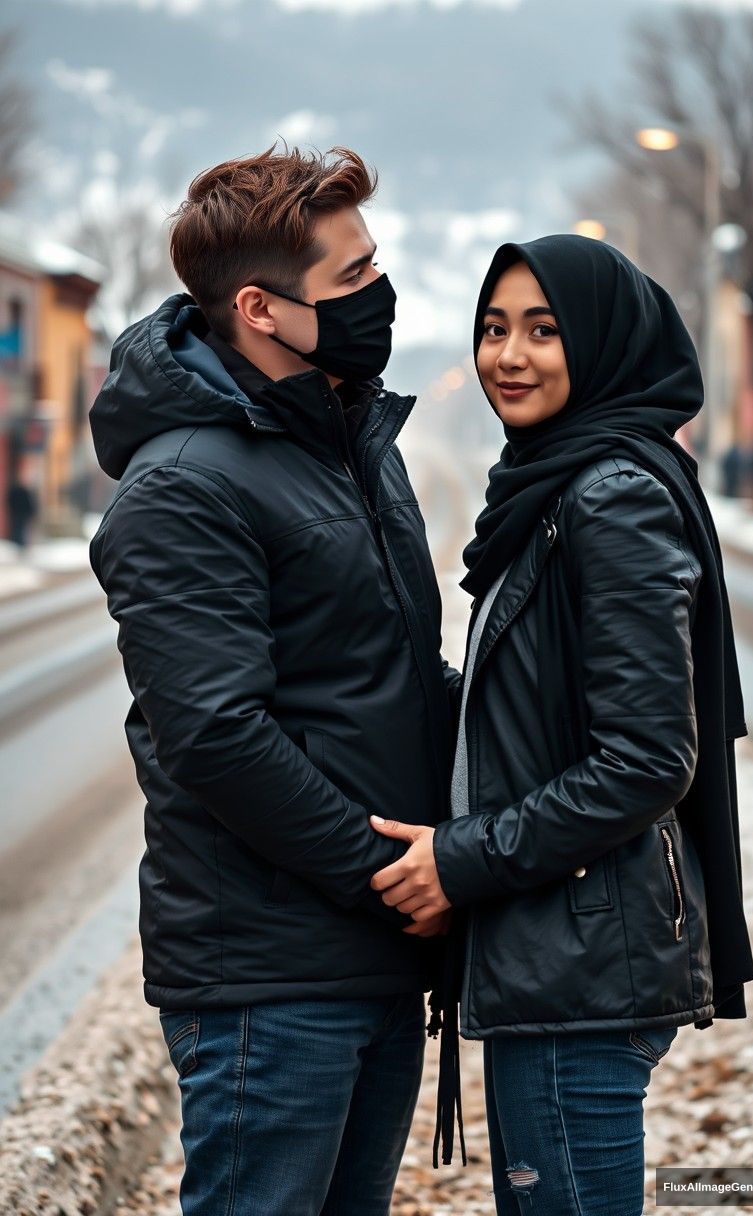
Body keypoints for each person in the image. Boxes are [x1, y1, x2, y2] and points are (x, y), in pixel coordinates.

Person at [88, 144, 460, 1216]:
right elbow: (215, 735)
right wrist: (386, 876)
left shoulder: (347, 442)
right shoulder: (183, 487)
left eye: (373, 266)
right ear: (259, 307)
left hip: (369, 953)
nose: (377, 296)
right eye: (350, 280)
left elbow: (380, 673)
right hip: (272, 975)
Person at [370, 235, 753, 1214]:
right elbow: (538, 709)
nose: (509, 355)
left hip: (584, 957)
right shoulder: (558, 483)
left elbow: (644, 758)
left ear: (601, 343)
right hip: (566, 946)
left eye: (544, 330)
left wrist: (464, 857)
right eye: (493, 328)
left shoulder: (609, 495)